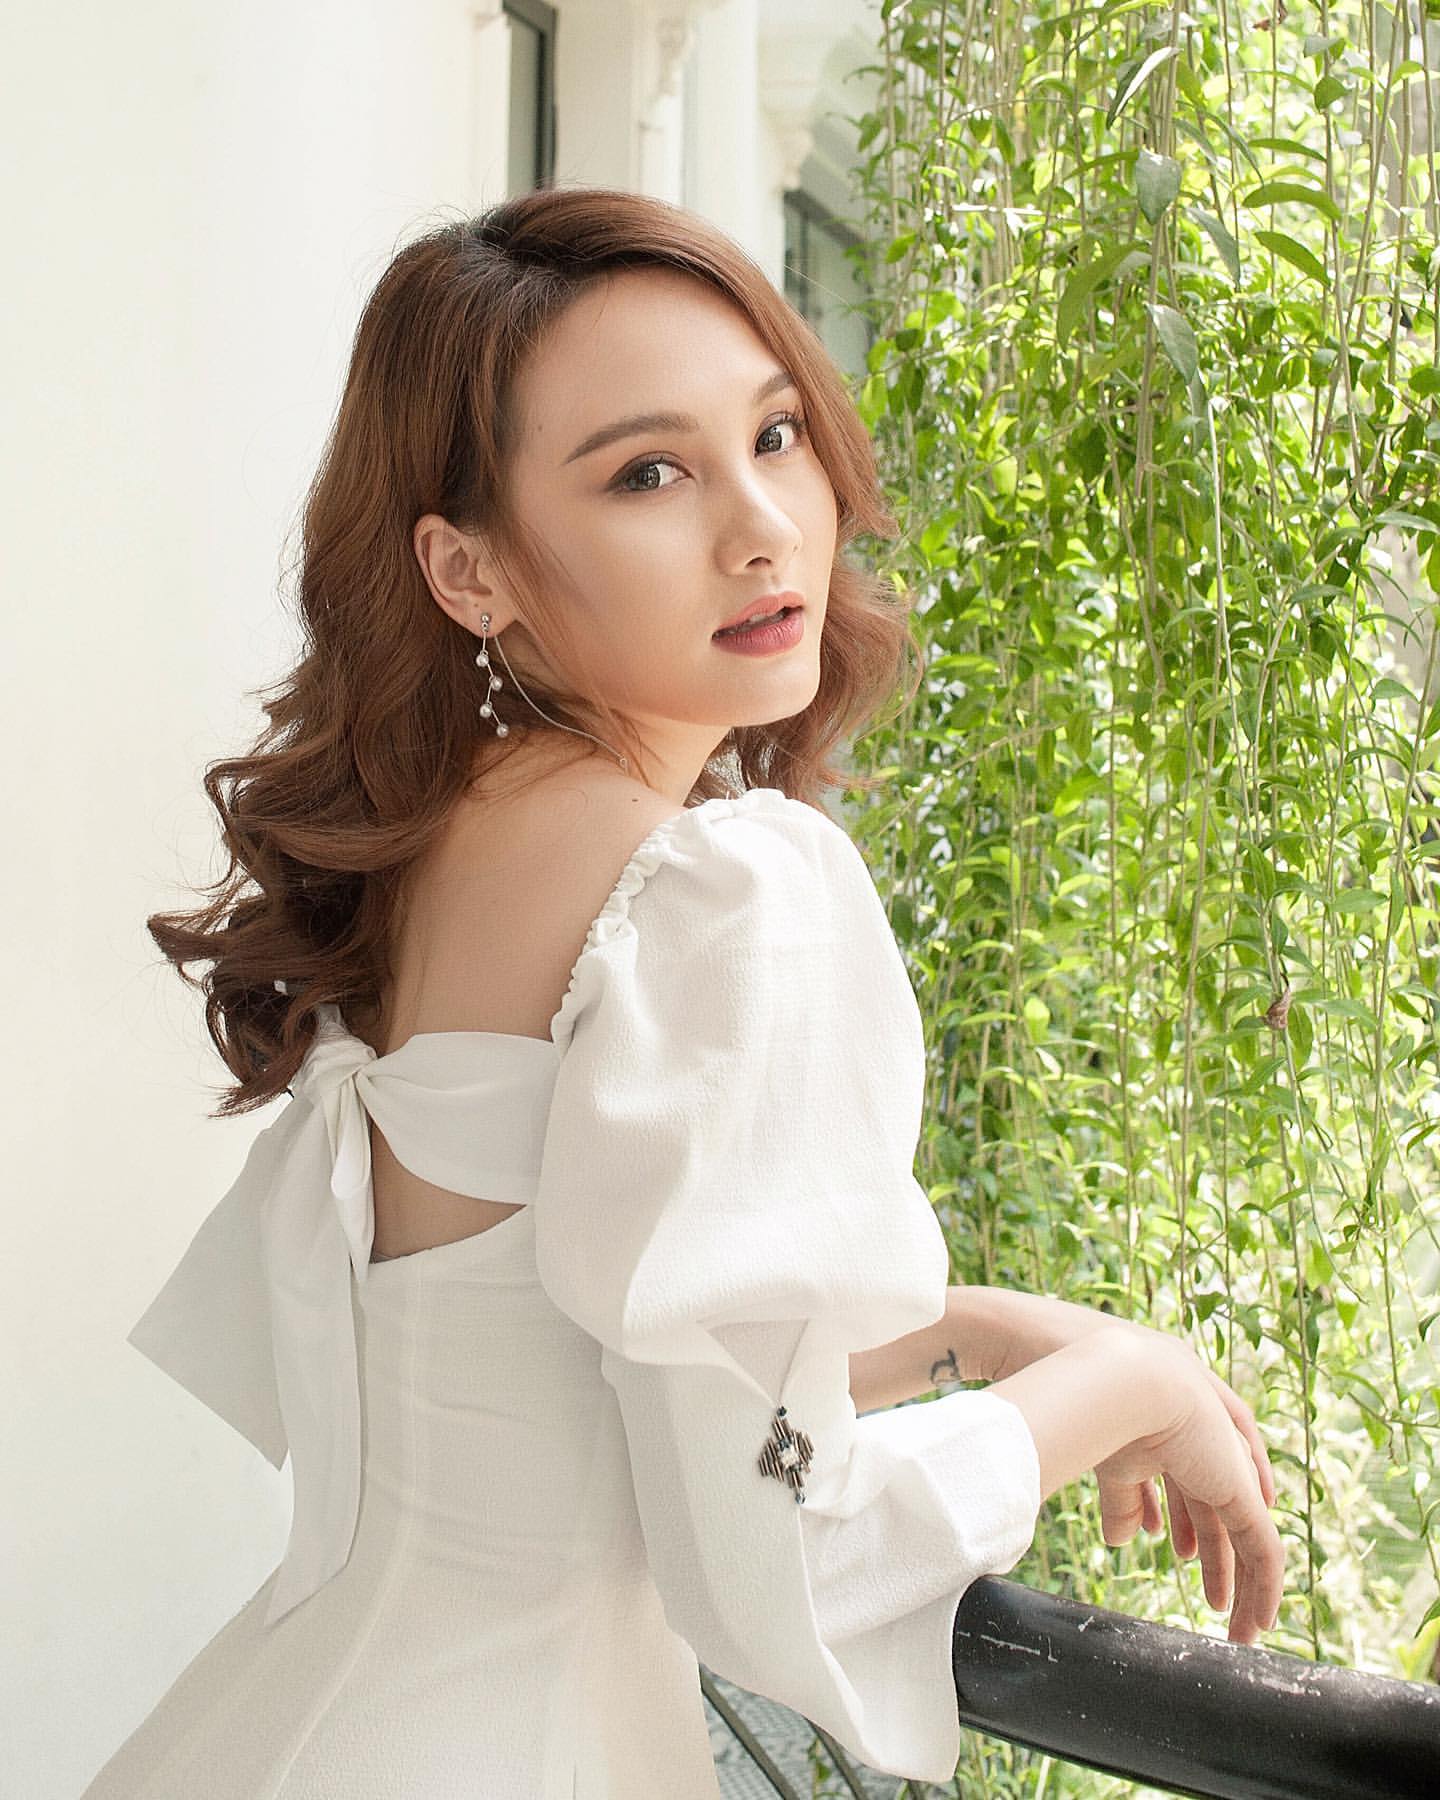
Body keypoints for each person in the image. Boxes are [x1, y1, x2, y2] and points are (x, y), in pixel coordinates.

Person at [82, 186, 1283, 1799]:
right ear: (470, 571)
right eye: (647, 473)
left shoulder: (433, 845)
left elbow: (582, 1345)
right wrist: (1134, 1383)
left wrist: (993, 1333)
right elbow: (776, 1552)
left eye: (775, 434)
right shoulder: (719, 892)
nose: (763, 525)